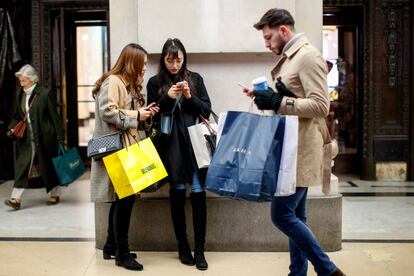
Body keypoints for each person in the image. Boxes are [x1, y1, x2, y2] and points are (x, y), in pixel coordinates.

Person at [244, 9, 345, 276]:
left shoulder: (308, 56)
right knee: (297, 216)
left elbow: (321, 106)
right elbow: (297, 98)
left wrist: (279, 101)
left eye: (268, 37)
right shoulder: (293, 58)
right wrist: (266, 96)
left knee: (282, 215)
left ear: (284, 31)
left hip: (301, 149)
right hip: (291, 146)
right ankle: (297, 273)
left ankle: (328, 270)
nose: (266, 44)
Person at [90, 43, 159, 271]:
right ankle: (122, 253)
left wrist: (144, 113)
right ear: (133, 62)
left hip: (125, 149)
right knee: (126, 199)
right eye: (143, 64)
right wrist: (137, 114)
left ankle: (111, 246)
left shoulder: (129, 85)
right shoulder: (114, 81)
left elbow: (131, 118)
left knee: (122, 198)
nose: (145, 68)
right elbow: (107, 112)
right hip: (115, 150)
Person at [147, 38, 211, 271]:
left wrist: (190, 97)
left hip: (194, 143)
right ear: (163, 60)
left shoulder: (195, 79)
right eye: (169, 60)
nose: (174, 65)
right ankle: (183, 246)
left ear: (184, 59)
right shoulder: (155, 82)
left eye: (179, 60)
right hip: (170, 144)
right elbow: (151, 116)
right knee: (177, 190)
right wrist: (168, 98)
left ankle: (200, 250)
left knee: (197, 191)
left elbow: (206, 109)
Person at [5, 64, 64, 210]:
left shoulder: (44, 93)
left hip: (45, 137)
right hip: (26, 137)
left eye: (24, 80)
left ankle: (54, 194)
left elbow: (55, 117)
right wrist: (11, 128)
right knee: (22, 165)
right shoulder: (20, 93)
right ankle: (15, 198)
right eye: (20, 80)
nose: (21, 83)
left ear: (32, 80)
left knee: (48, 165)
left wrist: (60, 139)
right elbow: (18, 115)